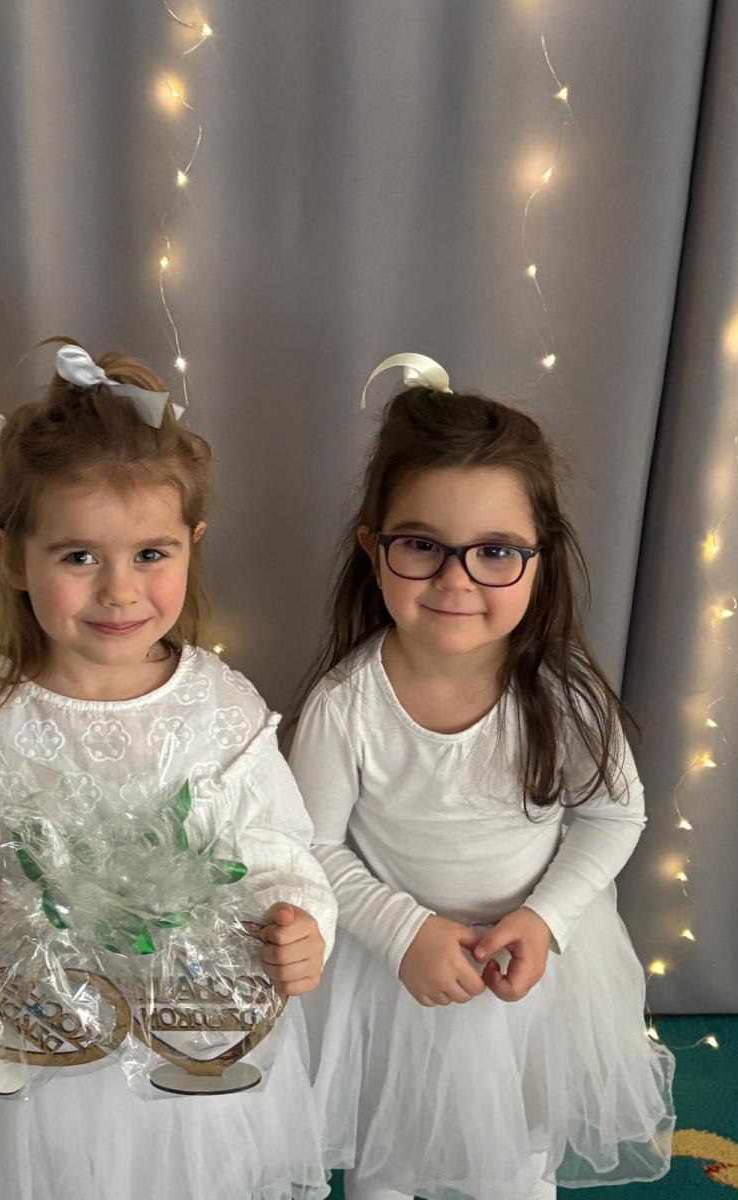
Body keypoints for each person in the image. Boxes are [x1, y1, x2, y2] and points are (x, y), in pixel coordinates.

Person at [0, 339, 336, 1200]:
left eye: (151, 554)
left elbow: (279, 856)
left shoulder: (221, 709)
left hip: (188, 1058)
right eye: (79, 557)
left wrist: (301, 921)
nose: (120, 591)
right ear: (12, 556)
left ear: (192, 547)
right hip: (29, 1067)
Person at [289, 355, 674, 1200]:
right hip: (388, 974)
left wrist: (543, 919)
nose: (456, 580)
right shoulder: (345, 706)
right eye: (422, 546)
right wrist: (403, 932)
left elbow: (614, 815)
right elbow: (308, 847)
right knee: (384, 1157)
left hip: (528, 974)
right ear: (374, 548)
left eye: (495, 551)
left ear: (540, 558)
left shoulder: (564, 697)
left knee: (515, 1161)